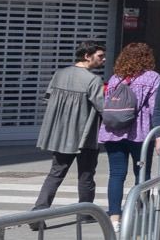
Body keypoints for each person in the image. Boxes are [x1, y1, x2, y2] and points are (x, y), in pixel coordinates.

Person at [32, 40, 107, 219]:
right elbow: (102, 107)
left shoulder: (60, 73)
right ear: (87, 56)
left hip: (60, 134)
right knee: (86, 175)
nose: (103, 60)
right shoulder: (93, 80)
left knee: (55, 174)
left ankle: (39, 211)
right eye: (100, 56)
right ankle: (85, 213)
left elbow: (48, 98)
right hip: (85, 136)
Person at [96, 42, 160, 221]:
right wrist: (159, 134)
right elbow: (154, 107)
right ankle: (140, 212)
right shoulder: (152, 77)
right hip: (139, 132)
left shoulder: (116, 77)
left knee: (116, 173)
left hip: (113, 131)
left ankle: (115, 216)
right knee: (142, 173)